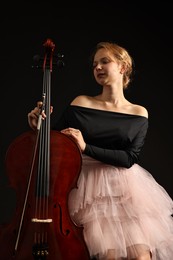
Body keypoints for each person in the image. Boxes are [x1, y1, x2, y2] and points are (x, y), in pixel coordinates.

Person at [28, 41, 173, 260]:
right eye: (95, 64)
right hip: (88, 188)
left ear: (122, 67)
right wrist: (39, 126)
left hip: (128, 189)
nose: (97, 67)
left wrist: (86, 146)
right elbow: (57, 144)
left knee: (142, 257)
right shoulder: (82, 103)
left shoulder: (139, 113)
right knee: (109, 256)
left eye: (105, 61)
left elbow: (129, 158)